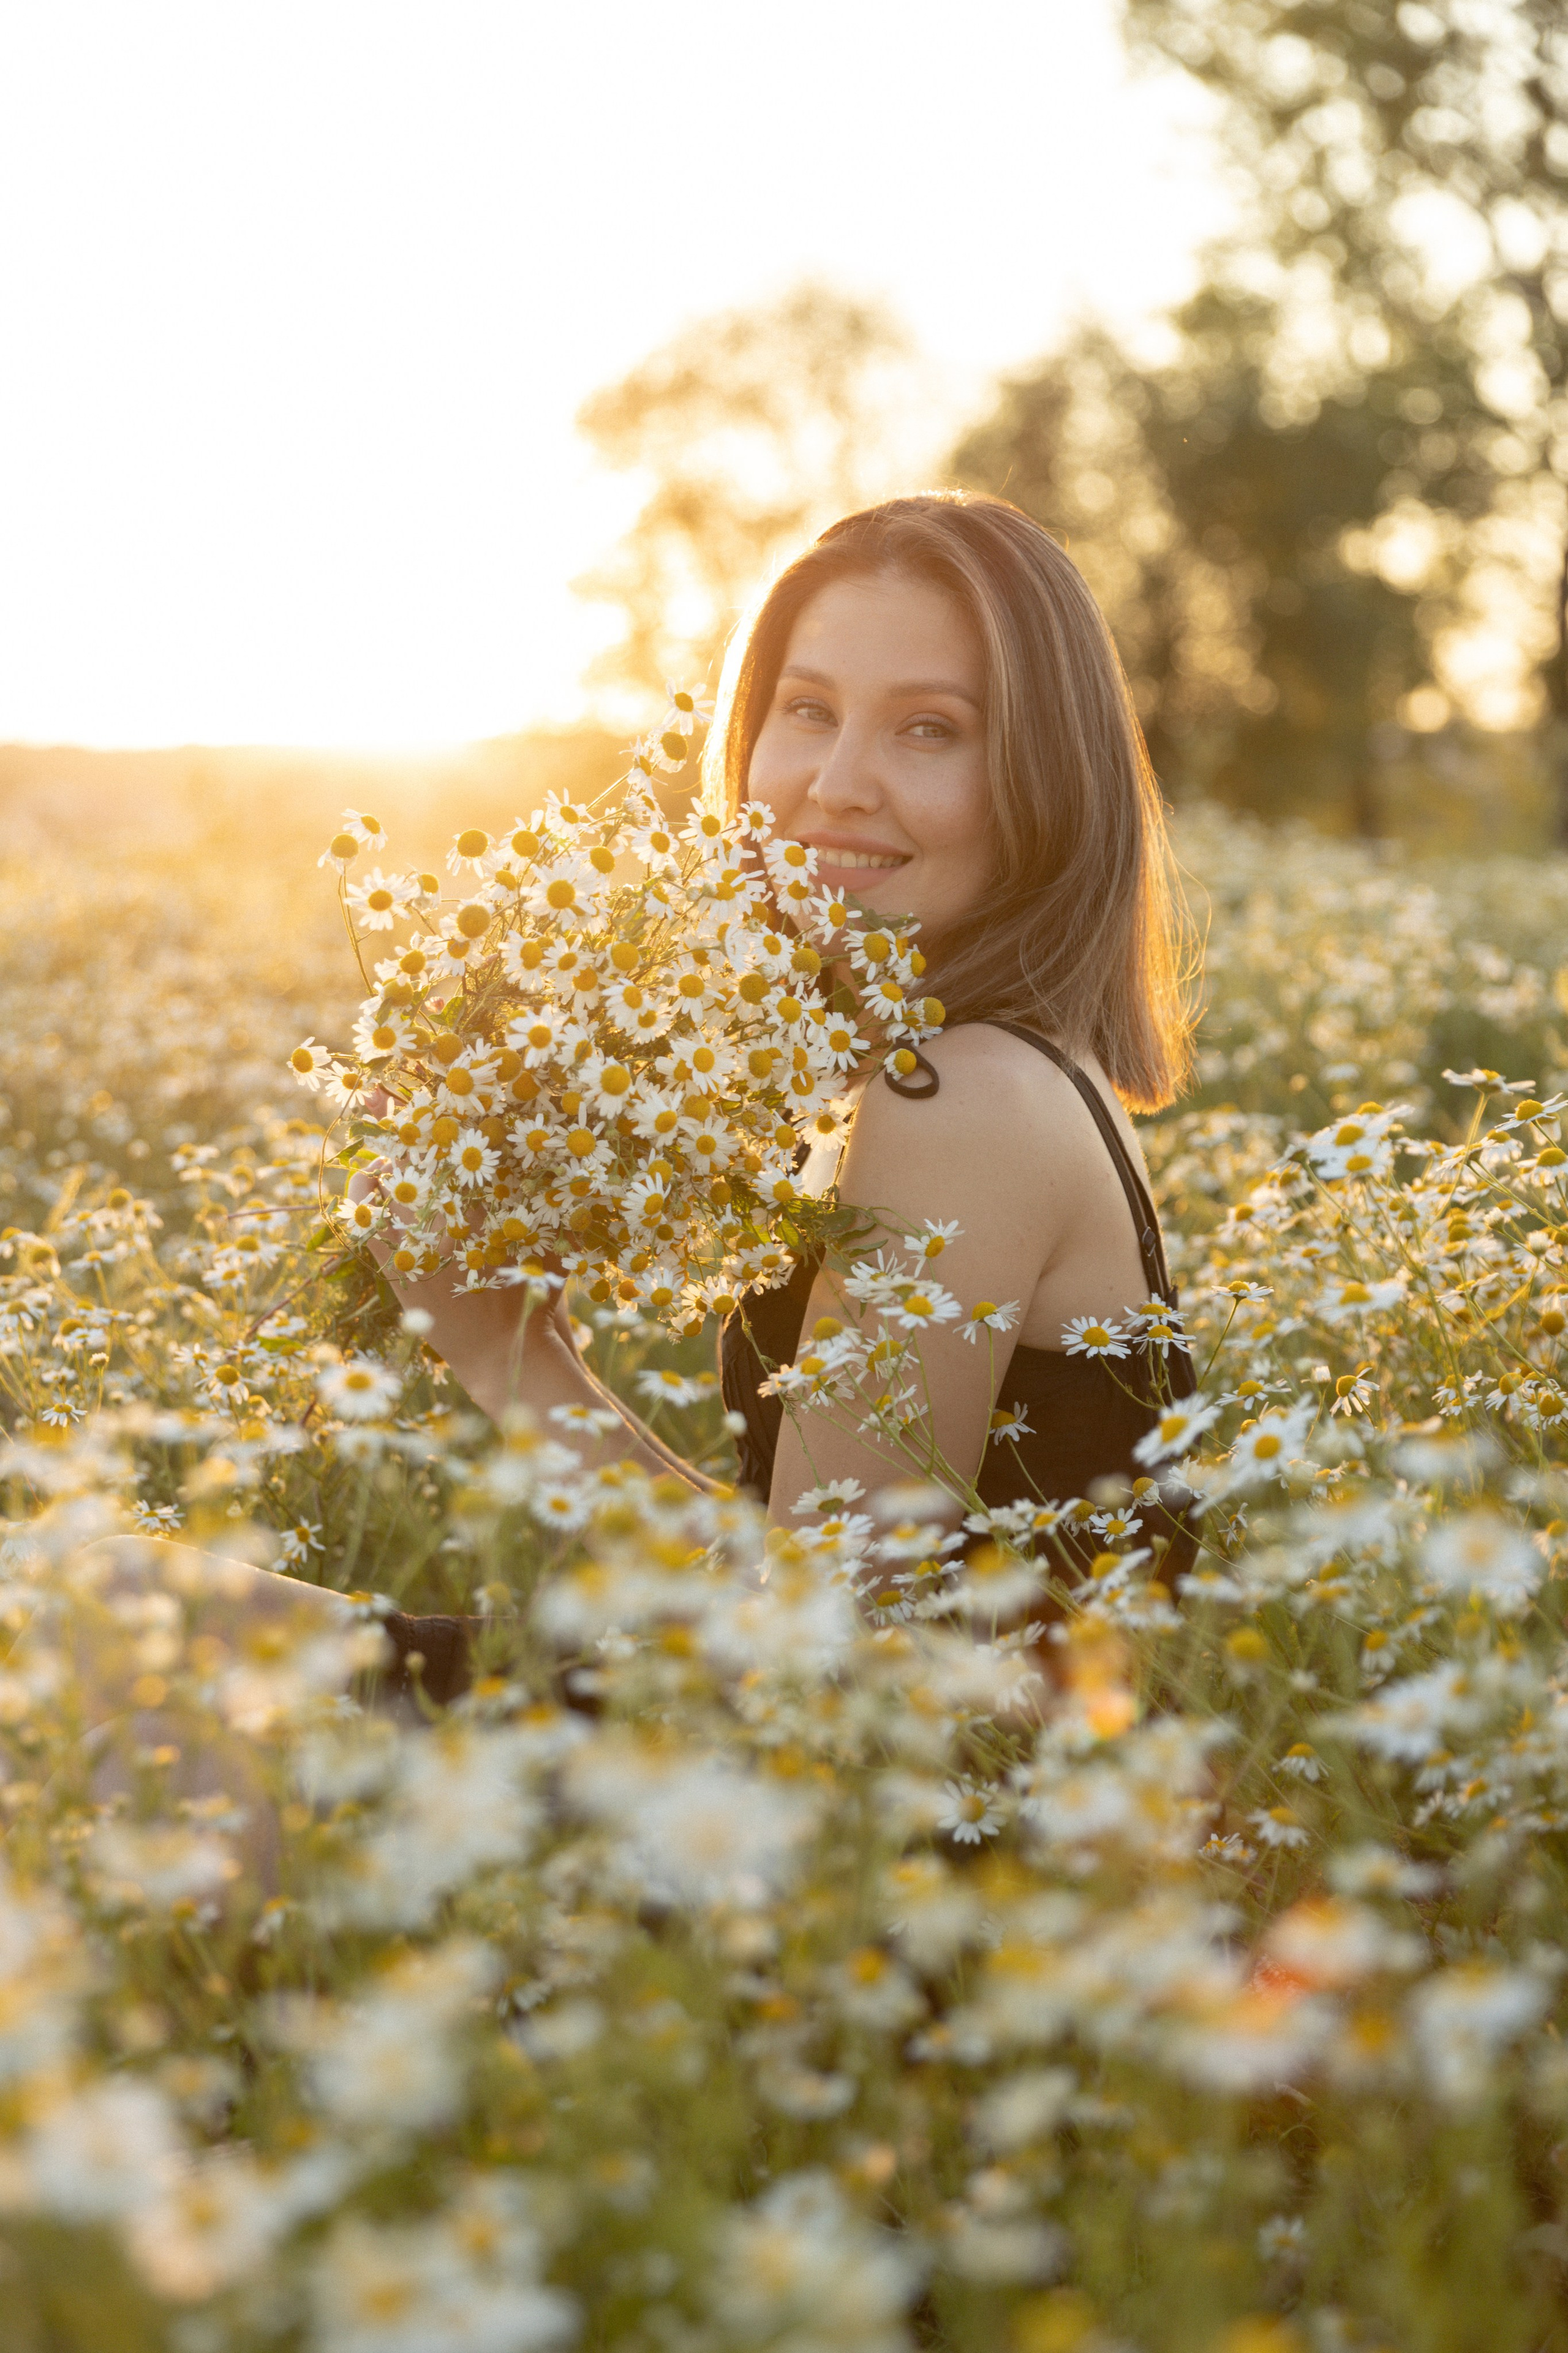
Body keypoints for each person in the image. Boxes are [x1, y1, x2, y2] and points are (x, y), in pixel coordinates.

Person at [366, 491, 1196, 1696]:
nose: (838, 782)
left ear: (1044, 776)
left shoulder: (963, 1095)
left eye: (927, 730)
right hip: (848, 1784)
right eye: (806, 711)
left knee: (103, 1642)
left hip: (899, 1848)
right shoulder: (972, 1062)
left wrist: (511, 1358)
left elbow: (813, 1652)